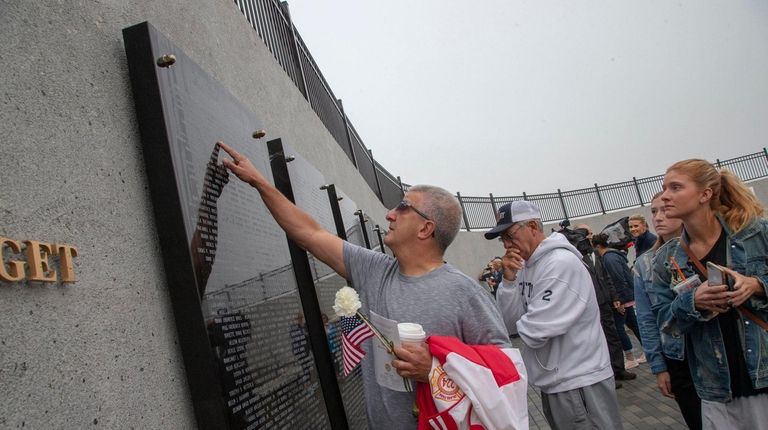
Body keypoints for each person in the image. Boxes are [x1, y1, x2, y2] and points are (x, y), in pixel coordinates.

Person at [217, 142, 511, 429]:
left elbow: (504, 375)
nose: (389, 214)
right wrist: (259, 182)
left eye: (403, 207)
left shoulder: (465, 293)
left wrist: (434, 372)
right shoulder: (374, 269)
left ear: (425, 228)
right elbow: (309, 233)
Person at [650, 159, 768, 429]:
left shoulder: (755, 234)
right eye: (664, 188)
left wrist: (756, 285)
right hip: (714, 390)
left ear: (705, 194)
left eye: (676, 187)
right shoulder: (666, 260)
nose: (665, 196)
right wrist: (693, 302)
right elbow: (664, 322)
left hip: (763, 377)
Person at [486, 201, 623, 429]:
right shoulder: (525, 266)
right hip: (555, 382)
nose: (507, 245)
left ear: (532, 226)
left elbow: (537, 330)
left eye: (510, 235)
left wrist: (518, 328)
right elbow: (509, 324)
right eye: (503, 239)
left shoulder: (560, 263)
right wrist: (508, 281)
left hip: (578, 382)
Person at [633, 192, 701, 429]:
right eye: (653, 211)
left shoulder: (704, 249)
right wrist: (659, 366)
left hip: (712, 349)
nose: (659, 217)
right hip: (677, 357)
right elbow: (646, 319)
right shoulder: (644, 264)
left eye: (665, 209)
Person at [574, 224, 636, 388]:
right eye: (586, 233)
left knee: (613, 336)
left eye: (590, 233)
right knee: (599, 341)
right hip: (591, 306)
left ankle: (618, 369)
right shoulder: (575, 256)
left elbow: (606, 277)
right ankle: (608, 376)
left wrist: (615, 296)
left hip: (606, 303)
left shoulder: (596, 254)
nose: (590, 236)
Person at [592, 233, 645, 368]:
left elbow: (617, 279)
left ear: (597, 246)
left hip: (622, 298)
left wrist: (618, 300)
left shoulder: (608, 259)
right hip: (627, 296)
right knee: (634, 324)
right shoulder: (613, 255)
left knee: (618, 328)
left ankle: (630, 357)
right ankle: (646, 351)